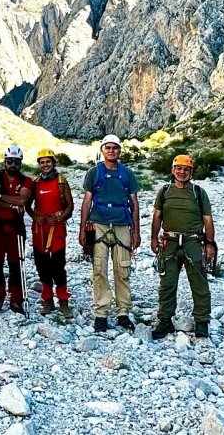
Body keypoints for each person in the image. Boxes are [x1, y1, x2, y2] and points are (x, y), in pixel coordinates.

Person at [79, 134, 140, 332]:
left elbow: (134, 203)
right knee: (99, 269)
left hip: (122, 224)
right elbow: (87, 202)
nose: (111, 151)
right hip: (98, 224)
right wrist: (82, 230)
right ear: (102, 150)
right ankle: (101, 313)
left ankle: (123, 312)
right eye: (108, 148)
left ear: (119, 151)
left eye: (115, 148)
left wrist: (136, 232)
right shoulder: (93, 173)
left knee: (122, 269)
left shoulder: (127, 174)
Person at [150, 154, 216, 340]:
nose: (182, 172)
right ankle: (164, 320)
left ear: (191, 172)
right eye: (178, 168)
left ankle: (202, 321)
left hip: (193, 241)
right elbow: (157, 217)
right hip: (169, 242)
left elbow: (207, 220)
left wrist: (210, 243)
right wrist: (153, 239)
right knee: (167, 283)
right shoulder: (164, 191)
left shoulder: (198, 192)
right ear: (173, 170)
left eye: (186, 169)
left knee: (199, 282)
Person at [0, 145, 34, 314]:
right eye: (10, 161)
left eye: (16, 162)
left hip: (15, 228)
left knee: (16, 263)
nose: (13, 164)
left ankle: (16, 299)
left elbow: (22, 201)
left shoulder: (26, 180)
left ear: (20, 163)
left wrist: (0, 196)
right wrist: (11, 203)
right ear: (4, 161)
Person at [26, 149, 74, 318]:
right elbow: (27, 205)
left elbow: (70, 206)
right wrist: (35, 217)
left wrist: (60, 217)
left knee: (58, 265)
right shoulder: (36, 183)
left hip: (57, 228)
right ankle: (47, 300)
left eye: (48, 161)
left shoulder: (61, 181)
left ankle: (63, 301)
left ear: (53, 162)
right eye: (42, 162)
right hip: (40, 229)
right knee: (42, 265)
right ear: (39, 164)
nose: (45, 165)